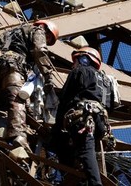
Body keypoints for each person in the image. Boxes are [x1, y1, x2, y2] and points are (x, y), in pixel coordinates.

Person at [0, 20, 59, 150]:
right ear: (45, 28)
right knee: (17, 100)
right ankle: (18, 136)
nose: (47, 39)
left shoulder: (8, 33)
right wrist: (48, 75)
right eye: (49, 37)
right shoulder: (38, 31)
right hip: (12, 65)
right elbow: (39, 50)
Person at [51, 47, 119, 186]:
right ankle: (81, 177)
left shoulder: (80, 71)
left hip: (84, 117)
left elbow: (64, 99)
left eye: (76, 60)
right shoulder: (107, 80)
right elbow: (110, 105)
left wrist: (57, 126)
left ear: (84, 59)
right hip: (100, 123)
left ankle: (94, 183)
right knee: (85, 150)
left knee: (81, 149)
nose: (73, 64)